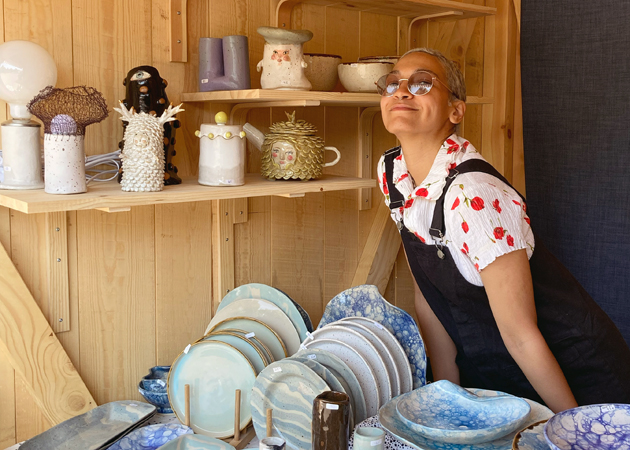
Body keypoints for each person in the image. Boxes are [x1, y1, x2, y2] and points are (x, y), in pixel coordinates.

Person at [376, 47, 630, 412]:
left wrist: (571, 430)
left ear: (456, 110)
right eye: (392, 83)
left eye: (421, 84)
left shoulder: (472, 193)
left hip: (576, 379)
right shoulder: (393, 174)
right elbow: (427, 294)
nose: (401, 91)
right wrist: (447, 400)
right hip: (504, 379)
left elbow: (521, 336)